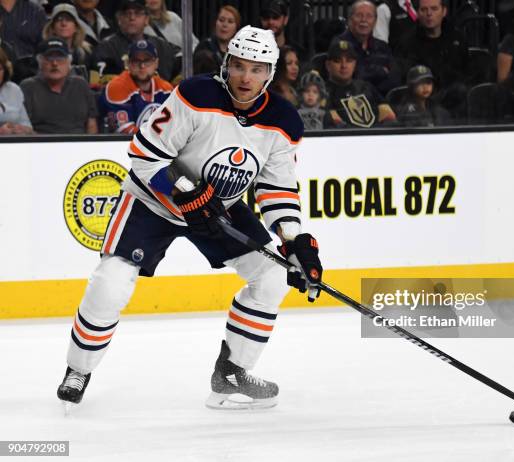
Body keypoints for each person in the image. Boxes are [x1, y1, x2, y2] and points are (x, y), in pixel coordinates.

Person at [56, 26, 323, 410]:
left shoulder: (284, 121)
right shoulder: (196, 95)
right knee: (110, 283)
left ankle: (231, 374)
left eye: (257, 69)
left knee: (272, 275)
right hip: (152, 202)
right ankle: (77, 369)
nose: (246, 77)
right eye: (240, 66)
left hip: (219, 209)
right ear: (227, 64)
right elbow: (144, 156)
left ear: (271, 72)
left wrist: (295, 242)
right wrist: (184, 191)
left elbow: (277, 189)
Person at [394, 0, 470, 118]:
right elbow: (408, 80)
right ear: (418, 13)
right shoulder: (407, 42)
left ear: (444, 11)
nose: (429, 14)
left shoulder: (457, 38)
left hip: (456, 98)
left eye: (434, 9)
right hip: (423, 100)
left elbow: (467, 71)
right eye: (424, 10)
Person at [90, 0, 179, 85]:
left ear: (146, 19)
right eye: (126, 14)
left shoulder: (162, 45)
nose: (132, 18)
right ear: (119, 19)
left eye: (137, 13)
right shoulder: (106, 48)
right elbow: (99, 84)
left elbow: (182, 60)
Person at [20, 37, 98, 133]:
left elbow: (91, 124)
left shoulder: (81, 85)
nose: (55, 63)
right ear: (39, 62)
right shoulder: (28, 87)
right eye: (49, 58)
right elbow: (23, 129)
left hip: (79, 144)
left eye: (60, 58)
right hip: (42, 144)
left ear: (69, 62)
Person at [98, 39, 172, 134]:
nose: (142, 66)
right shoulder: (116, 87)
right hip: (122, 146)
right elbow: (124, 131)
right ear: (128, 64)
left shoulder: (166, 90)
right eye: (136, 61)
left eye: (147, 60)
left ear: (156, 63)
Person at [324, 39, 396, 128]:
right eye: (338, 61)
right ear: (328, 65)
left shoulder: (367, 87)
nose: (344, 65)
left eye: (349, 60)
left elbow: (390, 117)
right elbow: (334, 125)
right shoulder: (322, 93)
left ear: (355, 64)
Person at [337, 0, 401, 97]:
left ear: (375, 21)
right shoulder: (339, 45)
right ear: (350, 19)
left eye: (369, 16)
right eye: (359, 15)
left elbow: (395, 79)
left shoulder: (382, 46)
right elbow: (354, 78)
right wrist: (381, 71)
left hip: (383, 102)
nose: (364, 20)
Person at [43, 3, 92, 81]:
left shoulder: (86, 54)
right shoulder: (42, 53)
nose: (63, 23)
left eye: (68, 20)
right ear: (52, 28)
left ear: (76, 27)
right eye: (59, 20)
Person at [193, 5, 240, 74]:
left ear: (236, 27)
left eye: (230, 21)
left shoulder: (240, 50)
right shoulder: (204, 47)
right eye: (221, 20)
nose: (225, 25)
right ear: (215, 23)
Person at [0, 47, 32, 134]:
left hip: (14, 144)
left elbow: (28, 127)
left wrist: (20, 129)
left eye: (0, 69)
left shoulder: (13, 90)